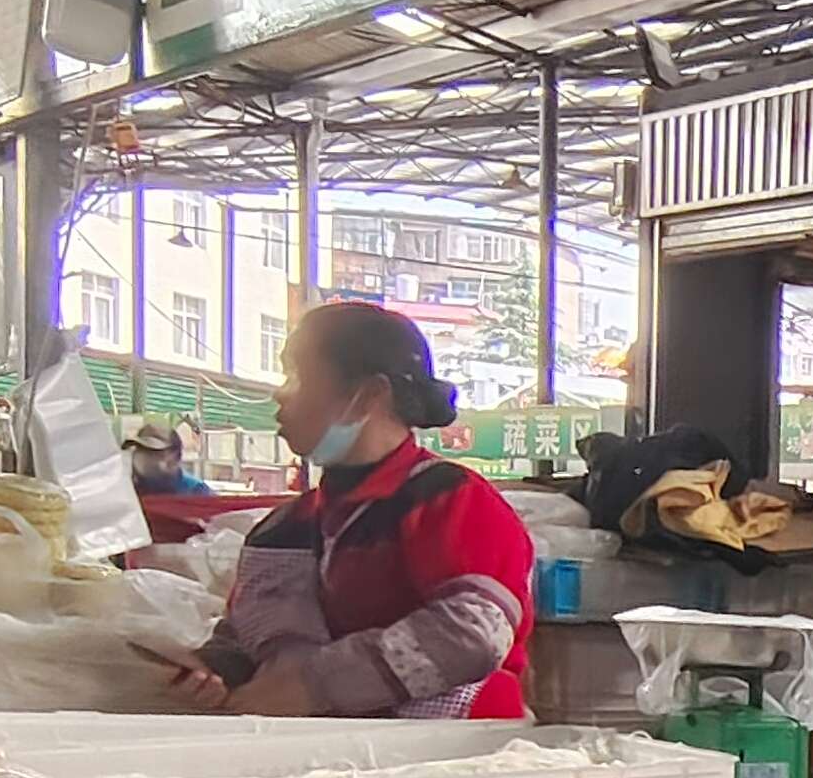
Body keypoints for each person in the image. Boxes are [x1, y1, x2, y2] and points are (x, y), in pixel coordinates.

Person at [154, 300, 531, 719]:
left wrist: (313, 687)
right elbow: (245, 637)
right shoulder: (282, 529)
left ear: (370, 394)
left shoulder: (450, 500)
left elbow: (471, 634)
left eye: (297, 376)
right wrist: (215, 672)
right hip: (328, 755)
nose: (280, 393)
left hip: (459, 756)